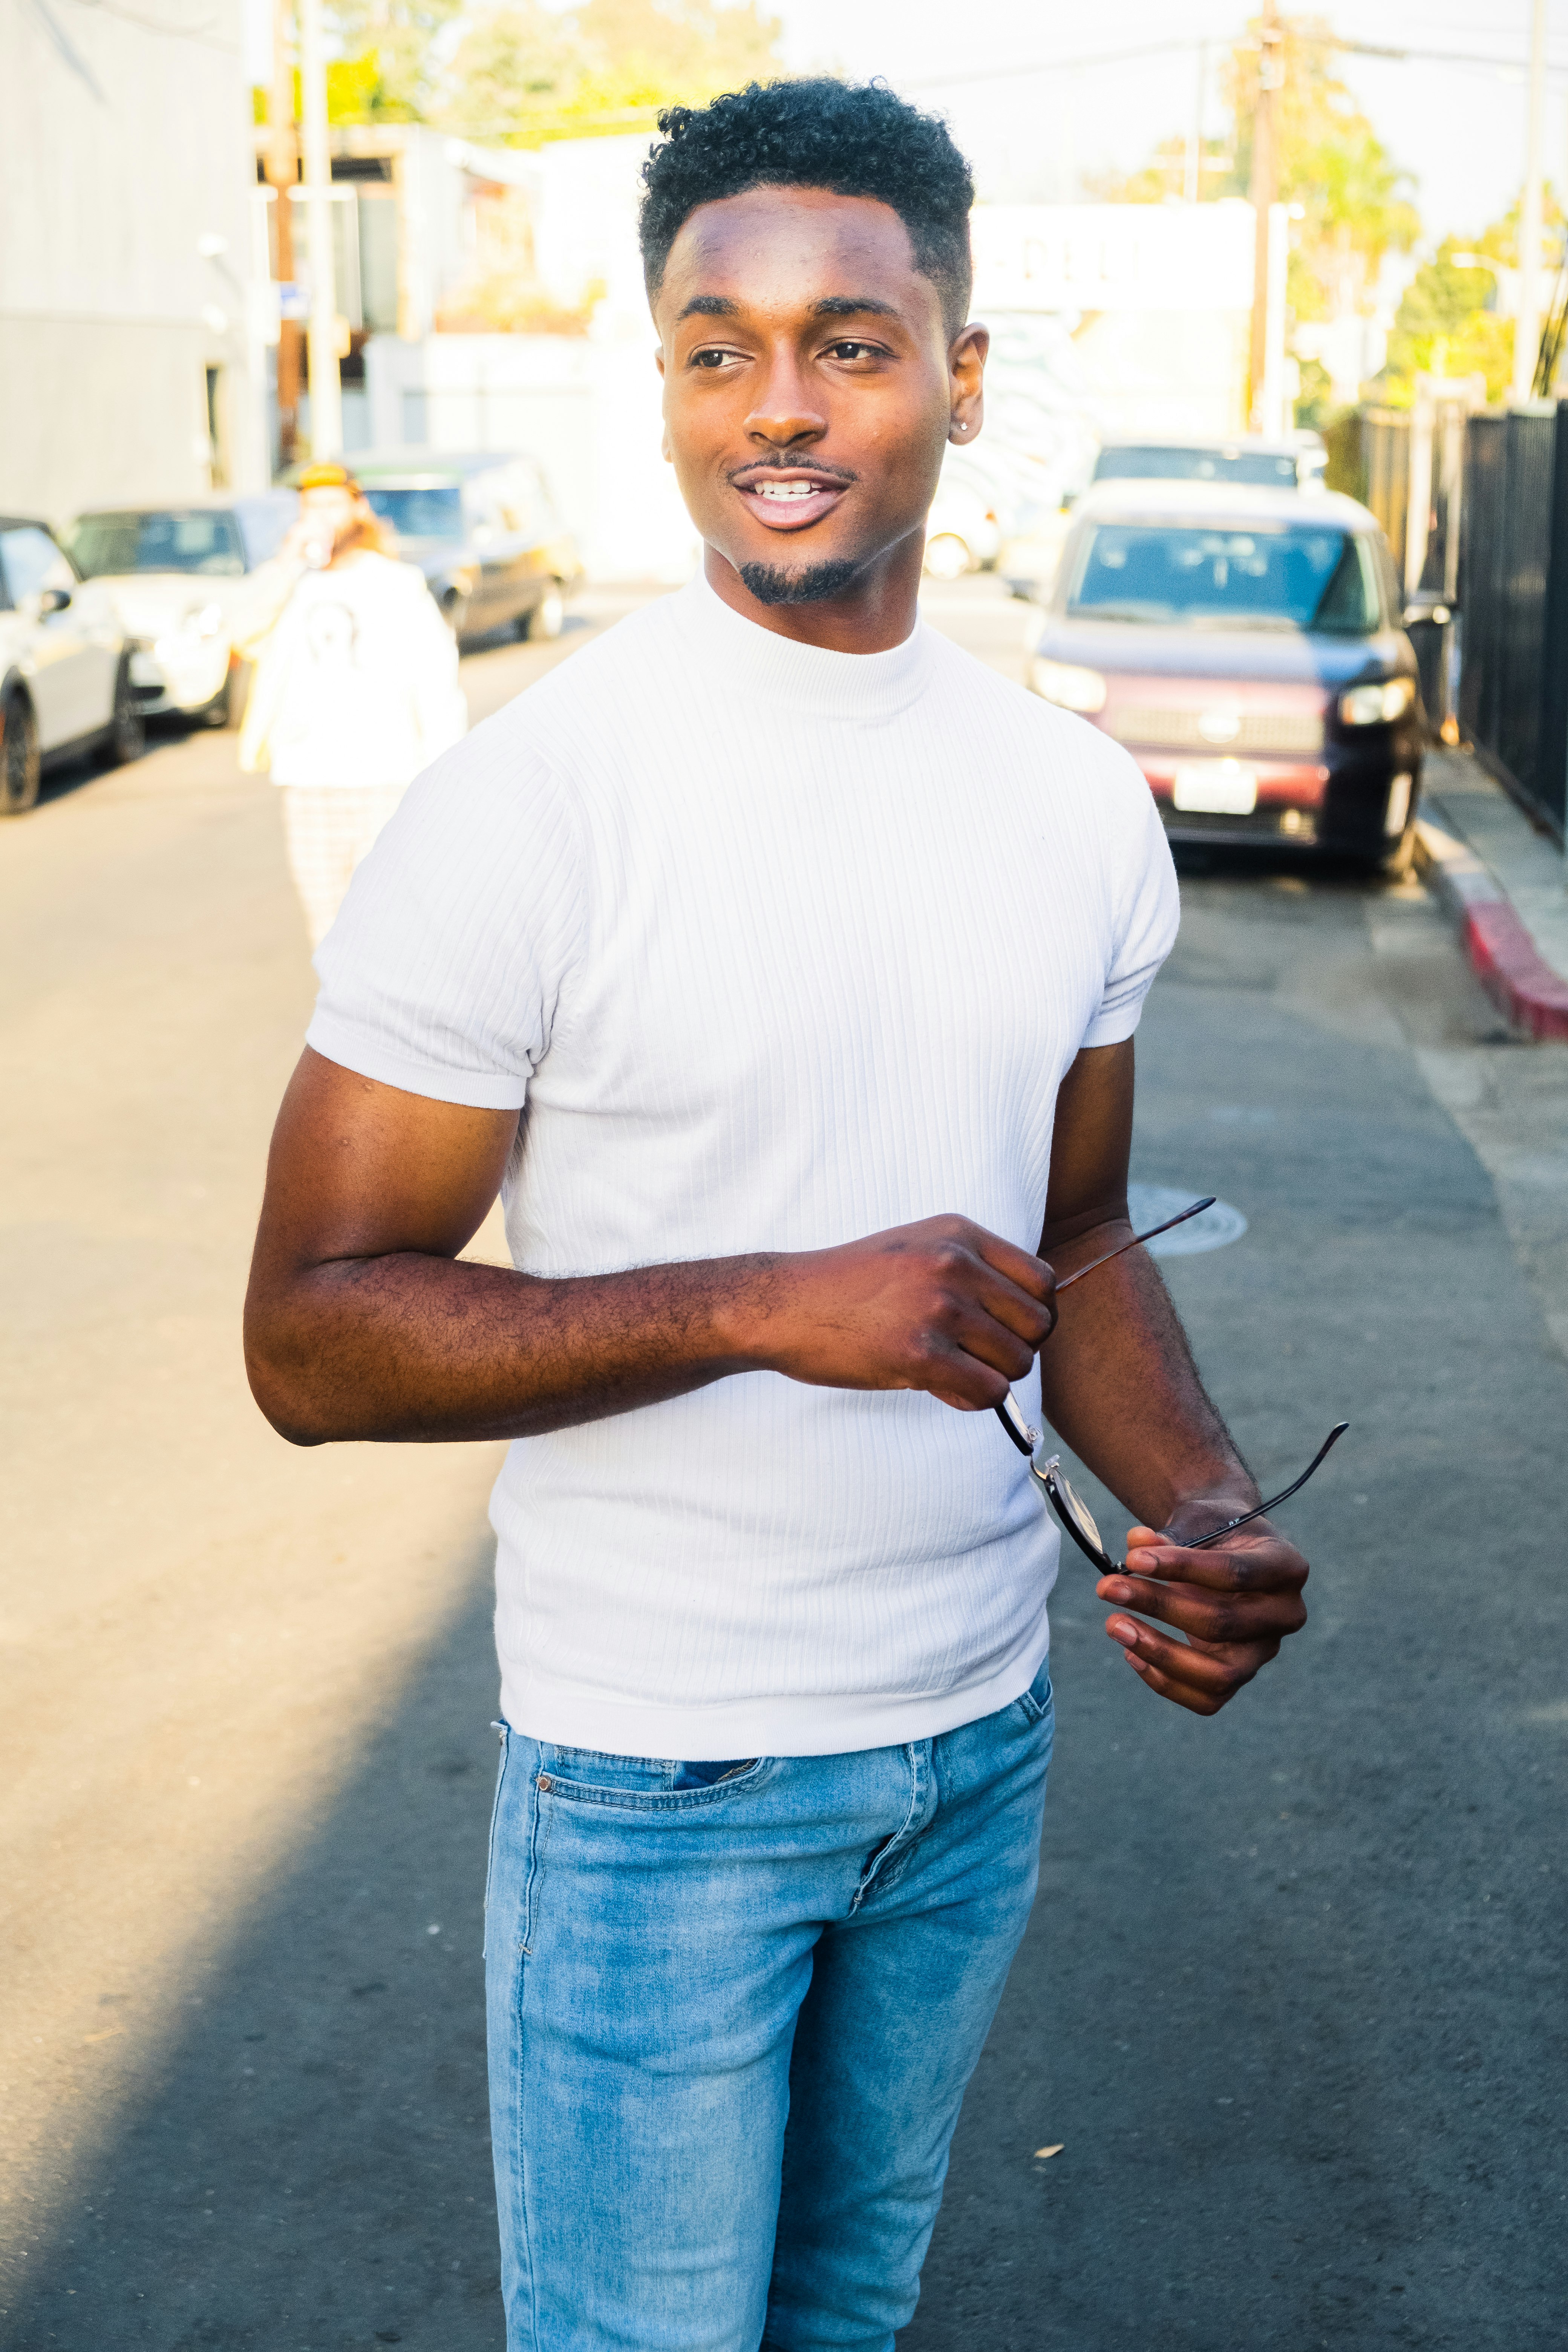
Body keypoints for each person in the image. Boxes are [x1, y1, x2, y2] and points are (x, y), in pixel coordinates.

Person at [243, 80, 1311, 2352]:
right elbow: (311, 1336)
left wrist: (1197, 1503)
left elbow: (1086, 1232)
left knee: (848, 2311)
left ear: (962, 374)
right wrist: (758, 1300)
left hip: (973, 1742)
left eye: (847, 335)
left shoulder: (1070, 805)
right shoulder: (530, 804)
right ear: (662, 387)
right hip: (658, 1771)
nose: (780, 406)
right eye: (715, 347)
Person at [234, 462, 467, 948]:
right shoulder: (290, 582)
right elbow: (243, 633)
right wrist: (287, 561)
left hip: (386, 778)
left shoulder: (397, 583)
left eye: (332, 504)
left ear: (358, 508)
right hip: (308, 778)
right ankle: (347, 1022)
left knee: (390, 923)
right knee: (327, 929)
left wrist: (443, 781)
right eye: (310, 507)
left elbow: (436, 685)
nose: (321, 516)